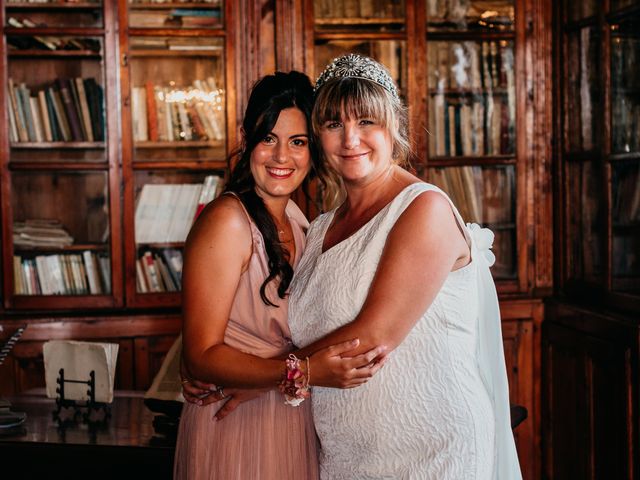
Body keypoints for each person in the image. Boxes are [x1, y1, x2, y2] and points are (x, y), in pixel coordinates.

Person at [286, 54, 523, 479]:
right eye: (334, 124)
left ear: (394, 125)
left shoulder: (423, 208)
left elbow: (373, 336)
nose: (350, 139)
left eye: (366, 122)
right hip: (346, 449)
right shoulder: (320, 228)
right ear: (319, 135)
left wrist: (256, 378)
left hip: (430, 447)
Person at [174, 70, 385, 480]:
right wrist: (302, 371)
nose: (281, 157)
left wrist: (286, 376)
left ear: (315, 150)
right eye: (268, 138)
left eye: (298, 142)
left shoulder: (300, 221)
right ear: (247, 138)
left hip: (288, 413)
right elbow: (200, 356)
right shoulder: (228, 221)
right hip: (235, 425)